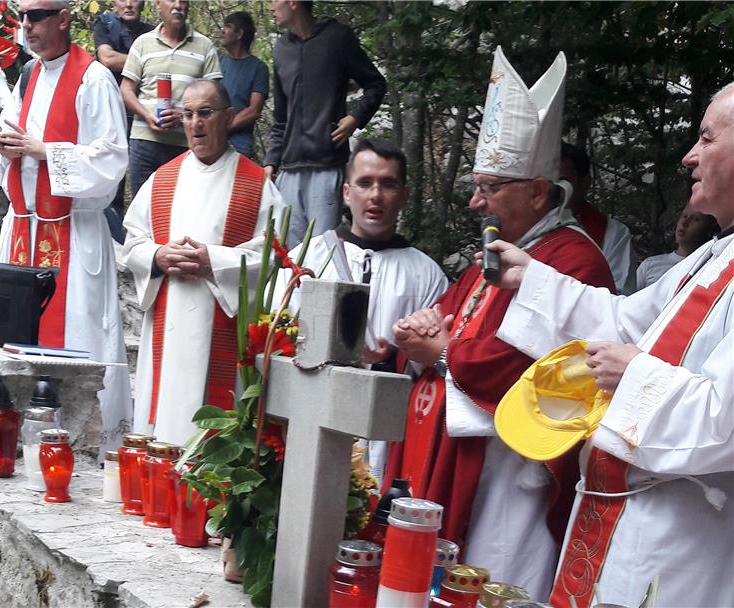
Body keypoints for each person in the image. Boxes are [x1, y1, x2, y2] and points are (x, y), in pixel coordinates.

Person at [488, 83, 734, 608]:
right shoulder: (711, 257)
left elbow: (725, 418)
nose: (689, 156)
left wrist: (637, 376)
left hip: (684, 543)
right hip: (621, 518)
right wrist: (532, 278)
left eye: (706, 139)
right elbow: (623, 325)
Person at [385, 47, 616, 600]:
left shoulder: (575, 262)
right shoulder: (498, 254)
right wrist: (419, 331)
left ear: (538, 191)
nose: (474, 202)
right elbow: (444, 318)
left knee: (493, 578)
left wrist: (440, 354)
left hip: (513, 472)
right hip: (458, 453)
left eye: (489, 188)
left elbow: (519, 366)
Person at [0, 0, 132, 458]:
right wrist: (9, 149)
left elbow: (112, 159)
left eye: (35, 17)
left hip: (71, 232)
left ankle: (86, 446)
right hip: (23, 232)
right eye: (22, 18)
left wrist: (43, 151)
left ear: (64, 18)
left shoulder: (93, 78)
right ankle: (16, 439)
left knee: (78, 337)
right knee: (17, 341)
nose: (26, 26)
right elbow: (9, 148)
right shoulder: (28, 76)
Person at [122, 80, 285, 446]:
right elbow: (132, 243)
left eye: (206, 114)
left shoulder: (256, 183)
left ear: (228, 117)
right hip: (168, 326)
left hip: (222, 332)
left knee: (216, 434)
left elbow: (274, 255)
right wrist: (158, 256)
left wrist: (214, 260)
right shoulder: (162, 179)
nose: (196, 123)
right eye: (189, 114)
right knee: (164, 428)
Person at [279, 138, 448, 484]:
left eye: (388, 184)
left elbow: (436, 359)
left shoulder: (427, 274)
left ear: (403, 195)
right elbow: (278, 338)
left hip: (387, 432)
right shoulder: (306, 259)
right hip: (316, 418)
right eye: (365, 183)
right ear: (346, 192)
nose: (375, 195)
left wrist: (395, 358)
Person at [265, 0, 387, 248]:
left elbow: (376, 84)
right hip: (288, 170)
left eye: (273, 0)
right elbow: (280, 116)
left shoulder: (338, 38)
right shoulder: (280, 49)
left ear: (293, 2)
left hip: (326, 165)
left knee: (322, 253)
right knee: (288, 257)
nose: (270, 7)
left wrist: (355, 119)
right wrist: (270, 162)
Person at [121, 0, 222, 198]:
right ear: (158, 4)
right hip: (144, 141)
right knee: (142, 207)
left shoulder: (204, 46)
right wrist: (146, 116)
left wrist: (185, 115)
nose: (177, 5)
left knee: (182, 209)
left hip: (186, 143)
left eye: (183, 1)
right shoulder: (142, 43)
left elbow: (215, 96)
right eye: (171, 0)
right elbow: (126, 89)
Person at [93, 0, 153, 242]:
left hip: (143, 115)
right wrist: (146, 59)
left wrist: (127, 59)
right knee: (111, 180)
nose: (128, 3)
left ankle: (143, 243)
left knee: (146, 184)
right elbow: (107, 59)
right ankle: (111, 241)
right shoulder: (105, 24)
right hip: (110, 111)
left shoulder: (151, 32)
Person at [561, 142, 637, 294]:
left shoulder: (613, 233)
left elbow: (617, 295)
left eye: (563, 181)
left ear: (584, 183)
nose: (554, 190)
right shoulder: (527, 224)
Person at [219, 11, 269, 159]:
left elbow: (254, 110)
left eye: (227, 26)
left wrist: (223, 128)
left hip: (240, 145)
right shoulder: (218, 62)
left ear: (239, 33)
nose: (222, 30)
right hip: (213, 143)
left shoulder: (258, 68)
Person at [636, 203, 719, 289]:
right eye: (684, 216)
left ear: (709, 229)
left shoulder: (711, 267)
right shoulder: (650, 264)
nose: (685, 223)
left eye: (695, 219)